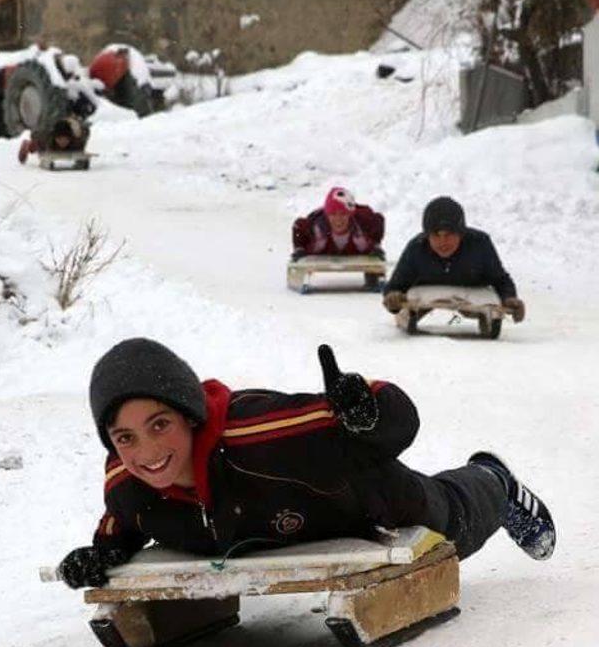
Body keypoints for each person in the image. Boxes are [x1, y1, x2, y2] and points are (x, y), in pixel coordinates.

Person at [58, 337, 555, 589]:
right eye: (125, 437)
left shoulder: (259, 433)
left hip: (365, 498)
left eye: (159, 425)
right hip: (287, 525)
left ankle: (495, 479)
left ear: (189, 416)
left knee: (453, 524)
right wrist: (101, 554)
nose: (145, 452)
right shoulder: (126, 481)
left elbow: (394, 421)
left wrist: (365, 410)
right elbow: (122, 523)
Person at [382, 196, 525, 321]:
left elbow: (500, 279)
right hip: (425, 294)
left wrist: (509, 299)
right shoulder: (417, 248)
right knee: (409, 301)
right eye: (436, 235)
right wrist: (393, 299)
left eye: (449, 235)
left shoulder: (480, 244)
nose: (443, 242)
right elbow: (395, 285)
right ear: (427, 235)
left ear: (461, 234)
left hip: (472, 293)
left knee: (491, 304)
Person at [292, 186, 385, 289]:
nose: (338, 220)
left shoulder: (361, 225)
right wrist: (299, 249)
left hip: (354, 249)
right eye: (333, 214)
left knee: (369, 244)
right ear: (327, 215)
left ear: (350, 215)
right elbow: (298, 227)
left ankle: (372, 274)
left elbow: (379, 220)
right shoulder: (317, 228)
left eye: (343, 214)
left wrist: (375, 245)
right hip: (326, 249)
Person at [18, 115, 89, 164]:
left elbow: (86, 130)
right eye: (59, 139)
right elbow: (34, 134)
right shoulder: (45, 138)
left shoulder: (77, 141)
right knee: (36, 145)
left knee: (77, 150)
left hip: (70, 128)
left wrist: (76, 124)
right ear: (55, 137)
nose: (62, 142)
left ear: (70, 138)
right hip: (45, 140)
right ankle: (27, 144)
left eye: (65, 139)